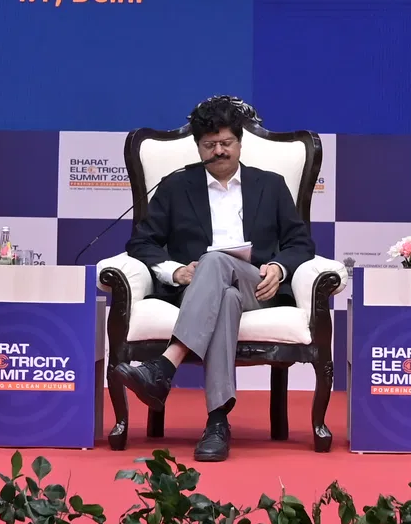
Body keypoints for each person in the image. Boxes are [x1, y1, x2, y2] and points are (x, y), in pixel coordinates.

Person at [112, 96, 316, 463]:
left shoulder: (271, 185)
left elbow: (301, 243)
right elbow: (141, 243)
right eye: (210, 145)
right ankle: (217, 423)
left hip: (258, 286)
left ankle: (165, 365)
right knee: (225, 297)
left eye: (226, 142)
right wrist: (174, 271)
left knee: (217, 260)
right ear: (198, 147)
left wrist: (279, 268)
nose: (219, 151)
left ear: (240, 143)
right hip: (199, 292)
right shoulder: (175, 186)